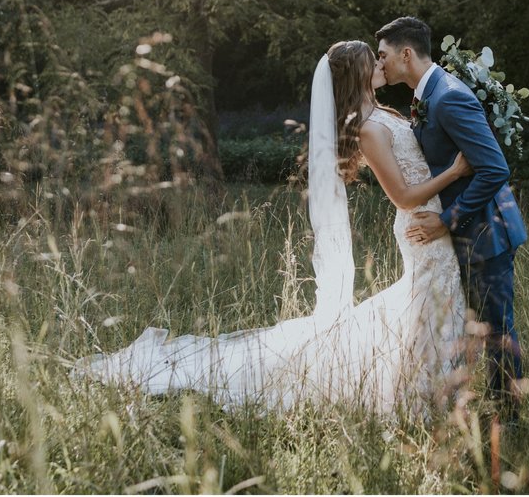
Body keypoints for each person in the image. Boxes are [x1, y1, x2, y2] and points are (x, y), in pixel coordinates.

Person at [75, 41, 472, 416]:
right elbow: (402, 195)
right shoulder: (367, 127)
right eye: (374, 59)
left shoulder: (387, 113)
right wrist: (456, 170)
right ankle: (426, 392)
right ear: (358, 72)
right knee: (431, 299)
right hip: (420, 222)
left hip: (434, 220)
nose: (382, 63)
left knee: (428, 302)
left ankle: (434, 386)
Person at [375, 16, 527, 405]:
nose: (380, 64)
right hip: (468, 232)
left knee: (497, 330)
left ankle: (508, 419)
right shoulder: (427, 93)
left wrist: (445, 221)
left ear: (405, 53)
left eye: (384, 56)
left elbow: (495, 168)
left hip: (486, 232)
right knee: (475, 329)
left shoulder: (448, 96)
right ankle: (478, 407)